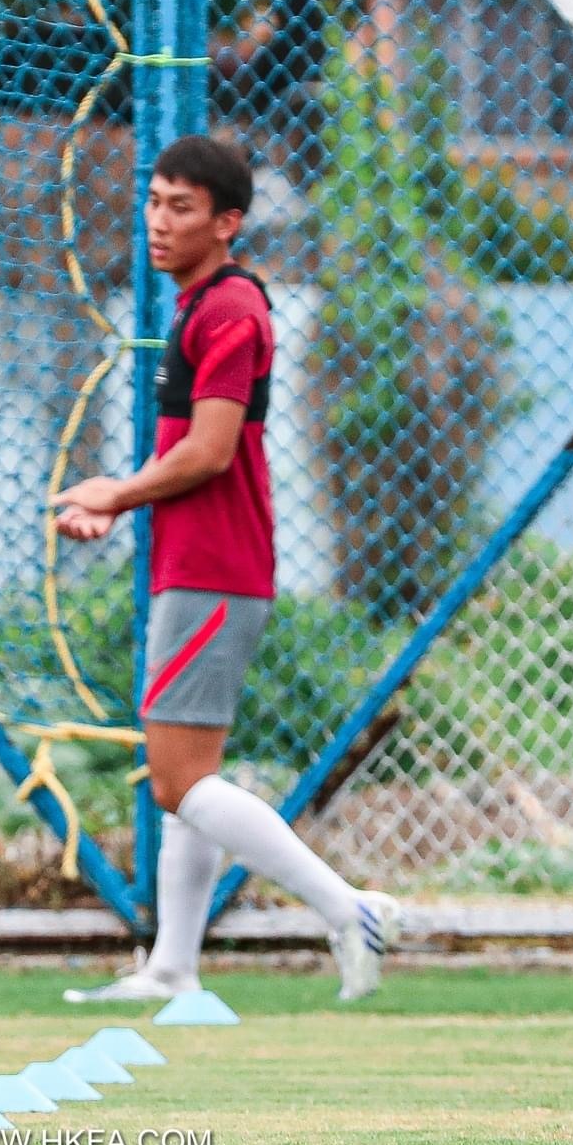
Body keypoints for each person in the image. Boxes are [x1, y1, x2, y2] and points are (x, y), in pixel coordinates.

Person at [55, 135, 399, 1004]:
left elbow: (208, 454)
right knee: (192, 774)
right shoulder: (200, 305)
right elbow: (192, 457)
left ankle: (348, 908)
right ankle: (173, 968)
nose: (159, 222)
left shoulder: (231, 311)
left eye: (182, 207)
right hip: (196, 565)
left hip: (215, 571)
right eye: (155, 201)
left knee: (178, 780)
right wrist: (118, 501)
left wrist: (116, 491)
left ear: (228, 222)